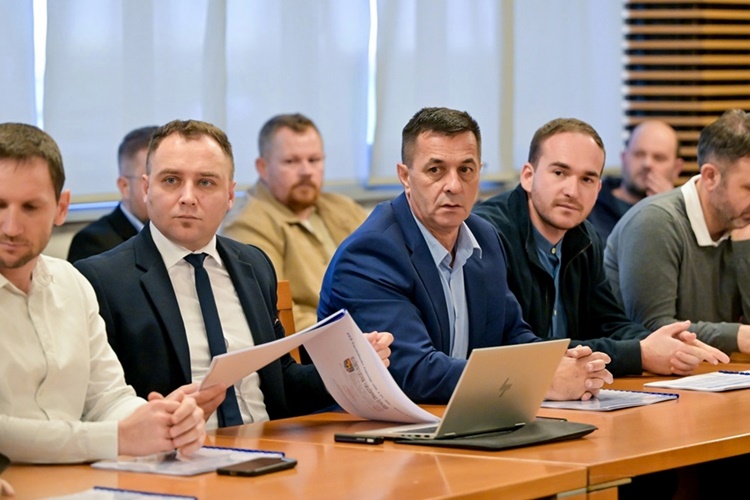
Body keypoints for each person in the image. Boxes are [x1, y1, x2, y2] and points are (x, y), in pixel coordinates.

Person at [75, 119, 392, 430]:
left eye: (205, 183)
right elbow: (99, 404)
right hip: (180, 449)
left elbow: (282, 384)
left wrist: (348, 365)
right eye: (171, 180)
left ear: (229, 195)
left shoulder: (253, 264)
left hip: (270, 446)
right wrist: (155, 420)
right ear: (146, 189)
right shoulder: (101, 280)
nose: (188, 197)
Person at [318, 107, 614, 405]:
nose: (454, 185)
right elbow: (413, 373)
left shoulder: (484, 237)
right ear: (405, 176)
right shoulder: (372, 252)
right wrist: (541, 380)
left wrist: (561, 362)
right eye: (435, 170)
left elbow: (512, 335)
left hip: (466, 414)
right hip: (377, 424)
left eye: (466, 170)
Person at [0, 122, 205, 464]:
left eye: (30, 207)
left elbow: (108, 398)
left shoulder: (73, 283)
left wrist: (163, 422)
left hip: (82, 477)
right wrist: (117, 438)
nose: (11, 227)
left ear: (61, 208)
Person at [472, 118, 727, 379]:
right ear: (528, 176)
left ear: (598, 188)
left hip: (572, 391)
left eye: (587, 179)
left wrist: (662, 342)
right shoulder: (488, 234)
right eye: (559, 173)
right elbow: (515, 348)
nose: (572, 191)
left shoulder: (585, 237)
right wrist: (639, 353)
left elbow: (609, 323)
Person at [605, 109, 750, 356]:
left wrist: (744, 250)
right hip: (636, 376)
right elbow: (652, 329)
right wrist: (736, 336)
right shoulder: (654, 222)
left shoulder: (739, 220)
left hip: (710, 371)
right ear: (710, 177)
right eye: (748, 188)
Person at [221, 113, 367, 330]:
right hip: (319, 341)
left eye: (314, 160)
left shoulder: (344, 208)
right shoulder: (246, 224)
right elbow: (276, 312)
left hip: (374, 331)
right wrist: (354, 334)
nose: (306, 171)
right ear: (263, 167)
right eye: (291, 161)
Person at [67, 126, 157, 262]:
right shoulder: (92, 243)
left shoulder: (178, 233)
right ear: (125, 187)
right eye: (151, 180)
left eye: (170, 180)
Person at [588, 120, 683, 241]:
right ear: (623, 158)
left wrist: (671, 210)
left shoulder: (686, 217)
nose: (647, 164)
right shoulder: (590, 206)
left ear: (676, 168)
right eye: (639, 154)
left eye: (659, 158)